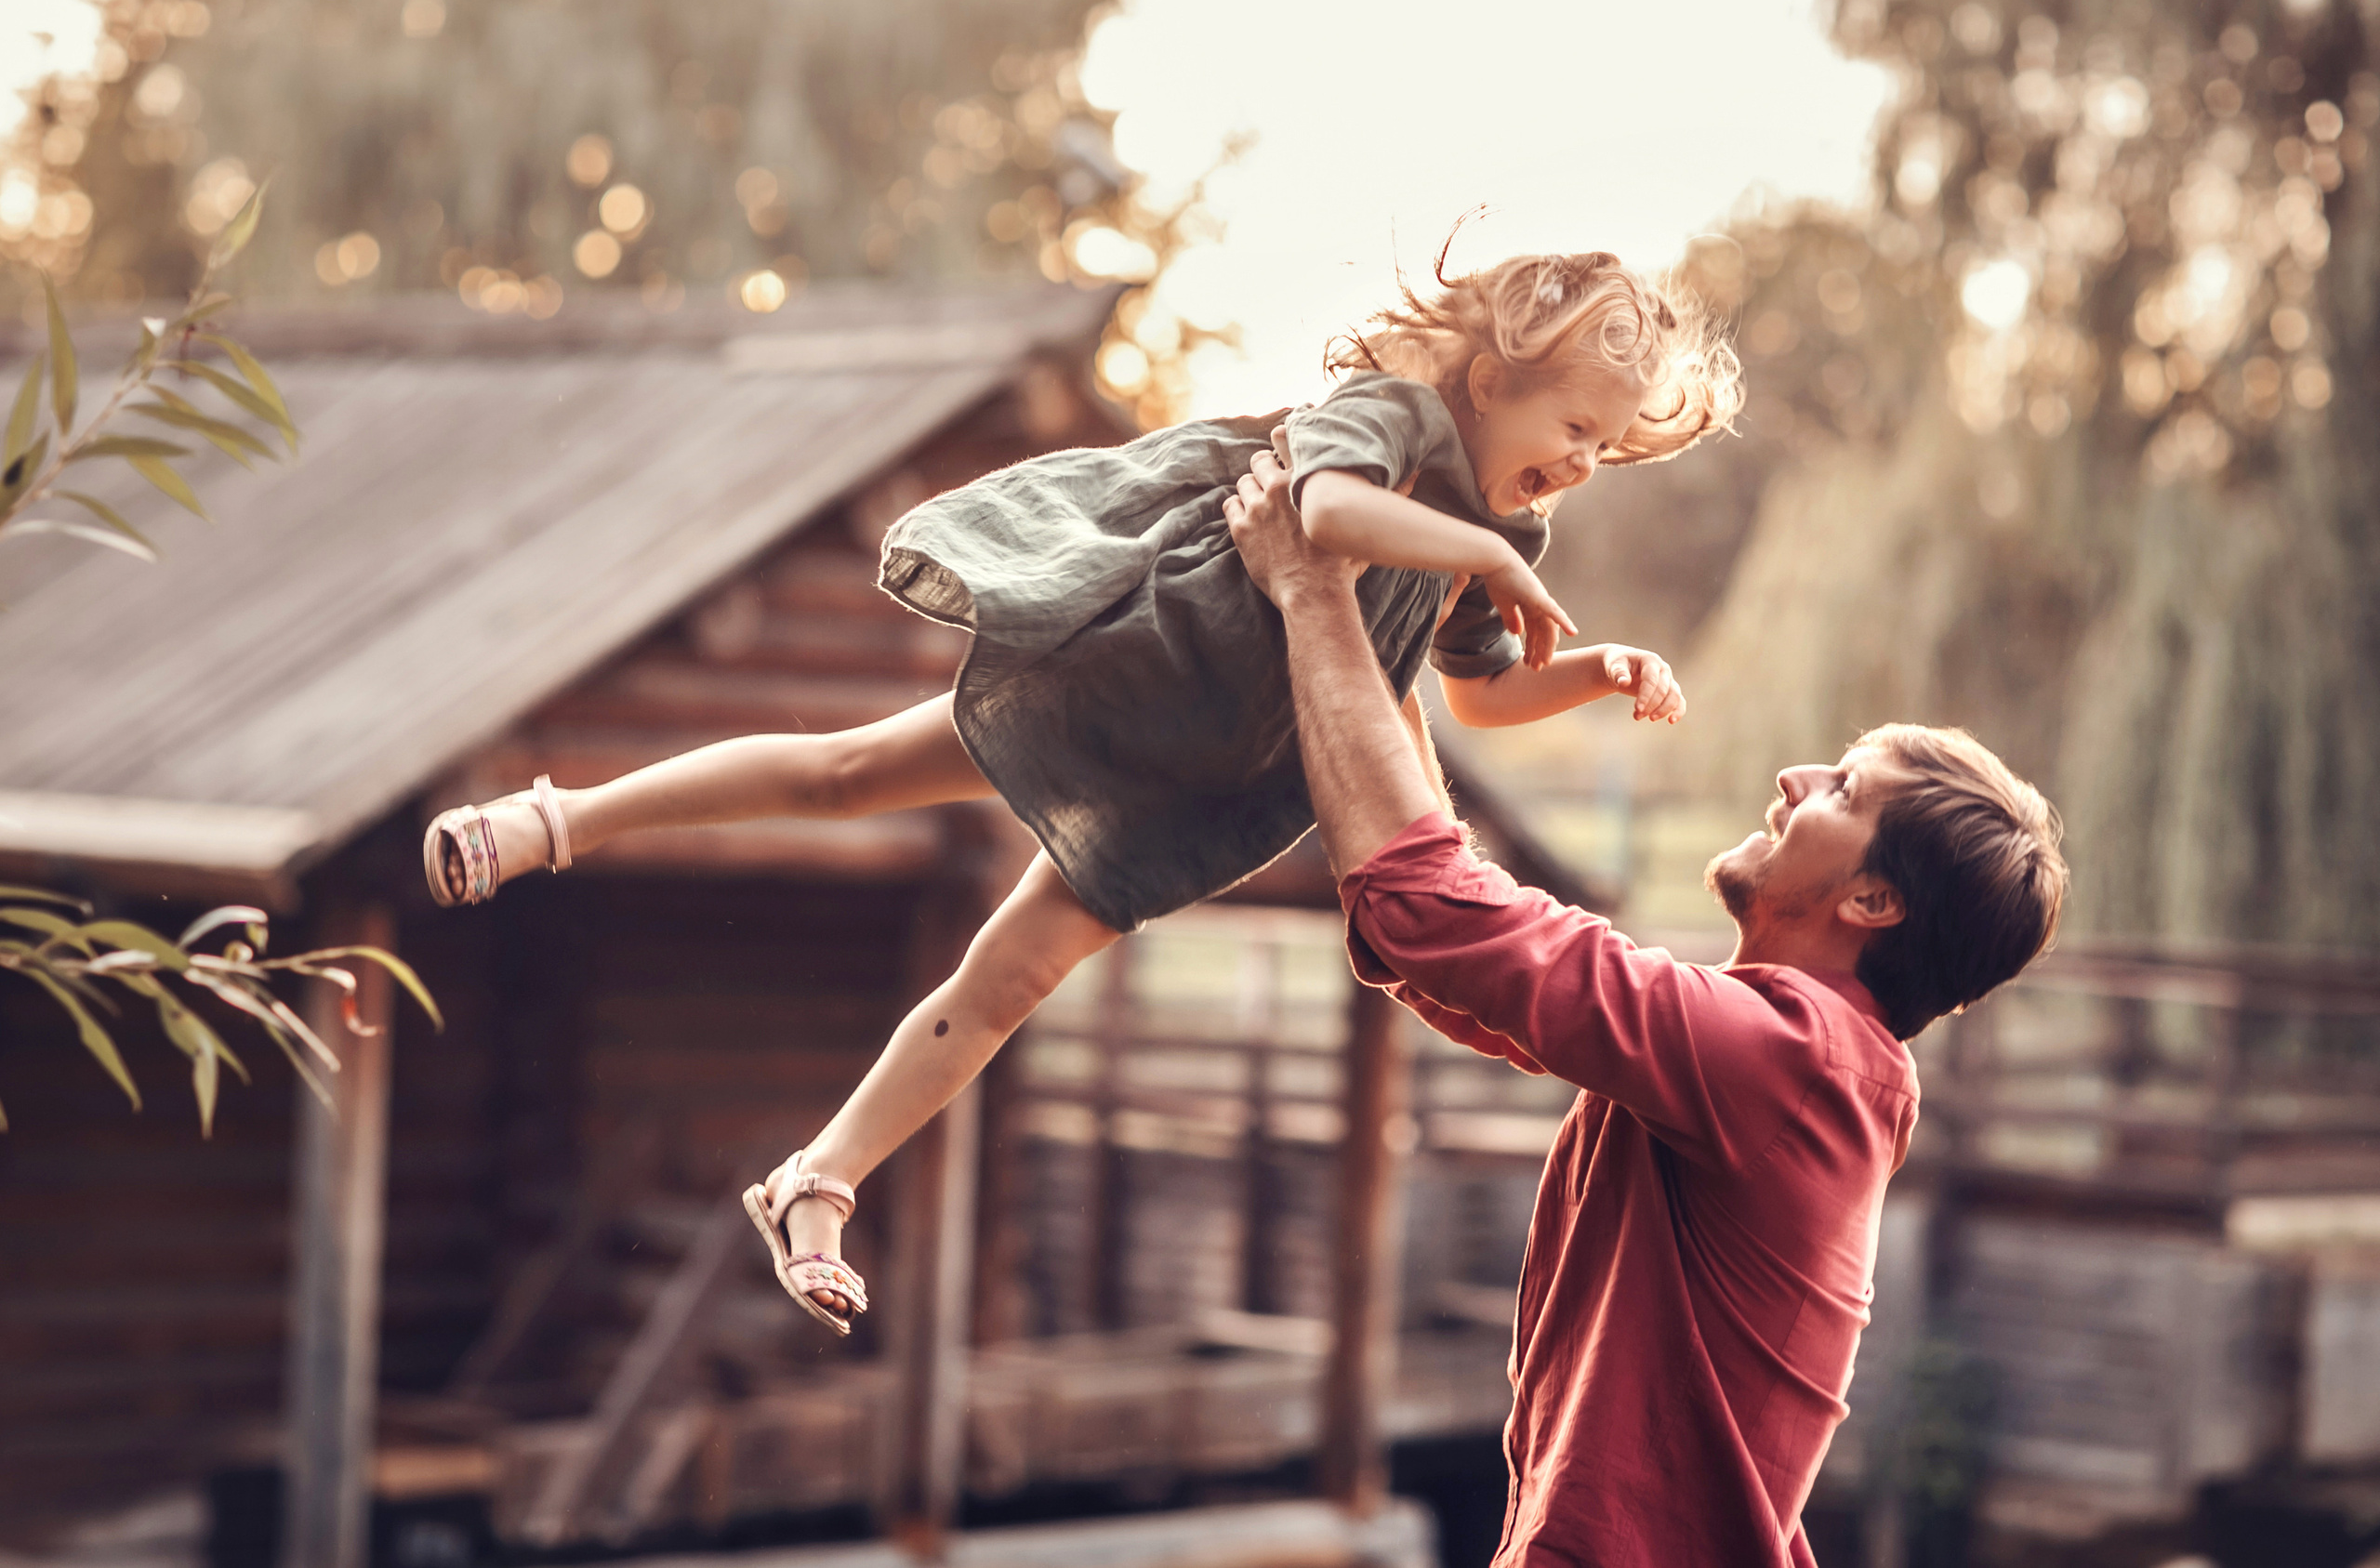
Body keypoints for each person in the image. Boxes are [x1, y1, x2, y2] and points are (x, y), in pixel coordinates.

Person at [420, 244, 1741, 1335]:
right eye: (1573, 428)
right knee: (844, 771)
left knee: (1009, 980)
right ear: (1495, 376)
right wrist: (1483, 555)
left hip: (1206, 774)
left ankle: (817, 1177)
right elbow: (1326, 514)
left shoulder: (1507, 535)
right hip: (1133, 673)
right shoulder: (1393, 419)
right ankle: (557, 818)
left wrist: (1592, 672)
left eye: (1604, 451)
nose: (1577, 465)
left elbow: (1476, 691)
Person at [1219, 447, 2068, 1567]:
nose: (1796, 778)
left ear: (1872, 898)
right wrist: (1386, 622)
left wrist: (1312, 588)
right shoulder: (1774, 1057)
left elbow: (1440, 913)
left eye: (1844, 791)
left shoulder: (1794, 1063)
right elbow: (1466, 955)